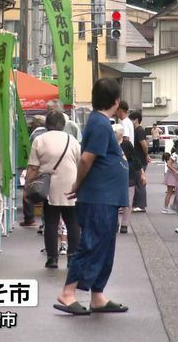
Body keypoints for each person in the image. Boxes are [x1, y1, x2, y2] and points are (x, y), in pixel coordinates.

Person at [55, 78, 129, 316]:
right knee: (91, 244)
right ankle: (68, 292)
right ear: (116, 101)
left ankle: (97, 294)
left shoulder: (101, 122)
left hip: (105, 196)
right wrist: (78, 183)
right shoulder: (99, 123)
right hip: (99, 196)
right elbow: (87, 158)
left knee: (104, 246)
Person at [25, 111, 81, 269]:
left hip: (50, 186)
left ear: (46, 124)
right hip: (71, 185)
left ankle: (52, 258)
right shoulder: (72, 140)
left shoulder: (39, 140)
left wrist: (28, 187)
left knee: (51, 221)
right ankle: (72, 257)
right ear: (63, 125)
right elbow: (80, 162)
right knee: (72, 222)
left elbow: (33, 168)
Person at [115, 124, 145, 234]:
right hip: (114, 177)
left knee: (128, 201)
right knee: (114, 201)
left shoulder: (127, 144)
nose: (113, 135)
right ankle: (115, 222)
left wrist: (142, 173)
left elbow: (136, 159)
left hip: (129, 175)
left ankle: (124, 224)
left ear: (121, 135)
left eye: (115, 133)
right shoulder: (110, 144)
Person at [21, 115, 47, 228]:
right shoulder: (48, 133)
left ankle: (29, 218)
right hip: (47, 168)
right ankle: (44, 221)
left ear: (35, 124)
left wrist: (28, 178)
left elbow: (32, 155)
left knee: (29, 191)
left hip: (36, 166)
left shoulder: (35, 136)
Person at [130, 111, 149, 212]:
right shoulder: (136, 130)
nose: (130, 122)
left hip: (140, 160)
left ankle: (141, 206)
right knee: (137, 182)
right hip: (137, 160)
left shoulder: (139, 130)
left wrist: (146, 155)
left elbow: (144, 145)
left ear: (136, 120)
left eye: (131, 120)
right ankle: (137, 204)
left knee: (140, 182)